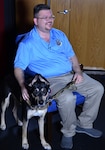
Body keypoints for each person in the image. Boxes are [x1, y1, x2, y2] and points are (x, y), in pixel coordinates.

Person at [14, 4, 104, 149]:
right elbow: (18, 68)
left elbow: (72, 56)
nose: (50, 20)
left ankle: (84, 124)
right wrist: (23, 85)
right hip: (49, 80)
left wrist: (78, 71)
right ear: (36, 21)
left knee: (97, 88)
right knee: (68, 98)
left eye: (51, 16)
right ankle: (68, 132)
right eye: (45, 18)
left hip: (69, 74)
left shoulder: (59, 34)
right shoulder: (27, 43)